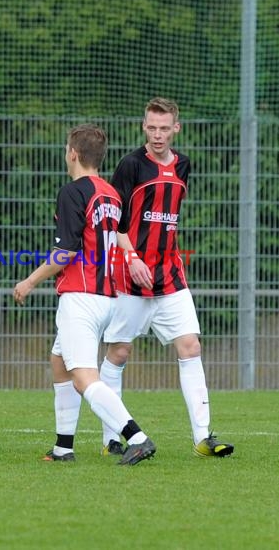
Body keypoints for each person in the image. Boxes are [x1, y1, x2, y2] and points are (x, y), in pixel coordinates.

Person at [51, 98, 235, 459]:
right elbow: (113, 221)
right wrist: (131, 257)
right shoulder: (130, 165)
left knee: (191, 347)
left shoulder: (184, 165)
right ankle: (111, 440)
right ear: (143, 127)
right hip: (130, 276)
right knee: (119, 352)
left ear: (176, 129)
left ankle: (204, 437)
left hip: (170, 275)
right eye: (151, 127)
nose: (157, 135)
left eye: (164, 128)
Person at [13, 123, 156, 466]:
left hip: (81, 297)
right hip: (107, 297)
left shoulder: (73, 191)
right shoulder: (110, 193)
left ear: (73, 153)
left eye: (67, 149)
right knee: (60, 361)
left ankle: (136, 437)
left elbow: (66, 252)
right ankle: (63, 447)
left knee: (83, 377)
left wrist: (29, 282)